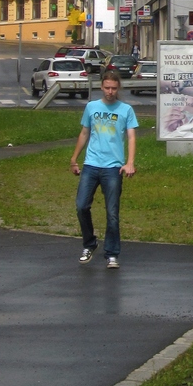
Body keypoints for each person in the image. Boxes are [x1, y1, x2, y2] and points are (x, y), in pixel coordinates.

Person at [70, 68, 138, 268]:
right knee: (81, 206)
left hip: (113, 168)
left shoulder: (125, 110)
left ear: (118, 88)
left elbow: (132, 137)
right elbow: (84, 133)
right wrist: (74, 158)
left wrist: (130, 162)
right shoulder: (91, 107)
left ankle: (112, 253)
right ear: (101, 87)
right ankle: (90, 244)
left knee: (112, 213)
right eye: (107, 88)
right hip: (91, 165)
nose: (110, 91)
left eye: (114, 88)